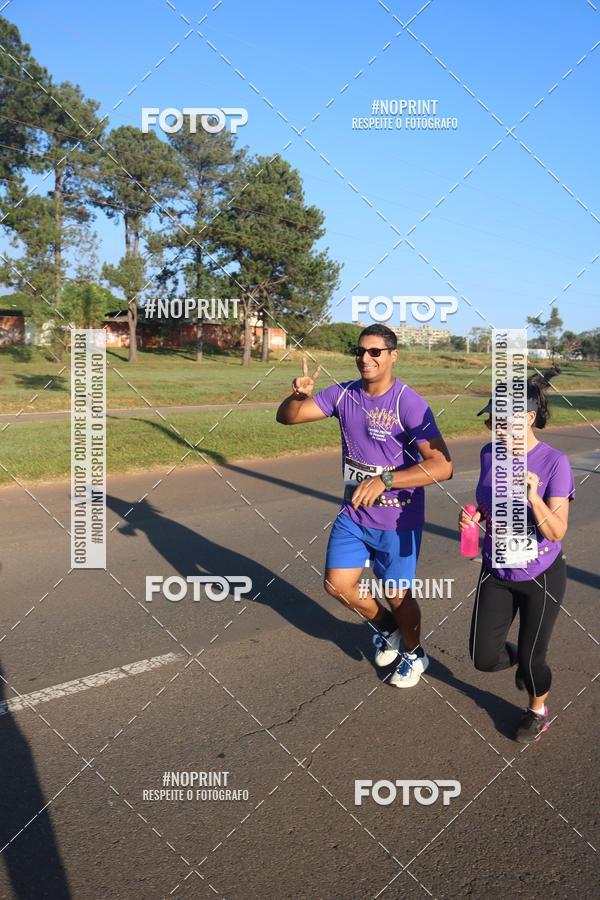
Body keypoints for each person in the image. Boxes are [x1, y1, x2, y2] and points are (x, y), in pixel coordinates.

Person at [276, 324, 452, 687]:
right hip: (354, 512)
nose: (365, 358)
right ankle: (387, 627)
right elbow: (288, 417)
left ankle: (415, 651)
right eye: (360, 351)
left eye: (375, 352)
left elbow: (443, 466)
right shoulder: (343, 394)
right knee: (337, 585)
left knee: (397, 595)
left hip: (397, 519)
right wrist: (296, 396)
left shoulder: (409, 402)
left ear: (392, 355)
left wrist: (386, 478)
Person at [460, 371, 575, 742]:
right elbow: (486, 501)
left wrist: (533, 496)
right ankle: (519, 658)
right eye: (491, 418)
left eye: (501, 418)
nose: (494, 426)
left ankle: (537, 709)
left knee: (532, 661)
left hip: (541, 575)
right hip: (496, 571)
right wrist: (474, 516)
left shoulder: (554, 462)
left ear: (526, 418)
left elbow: (556, 531)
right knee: (482, 657)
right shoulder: (488, 453)